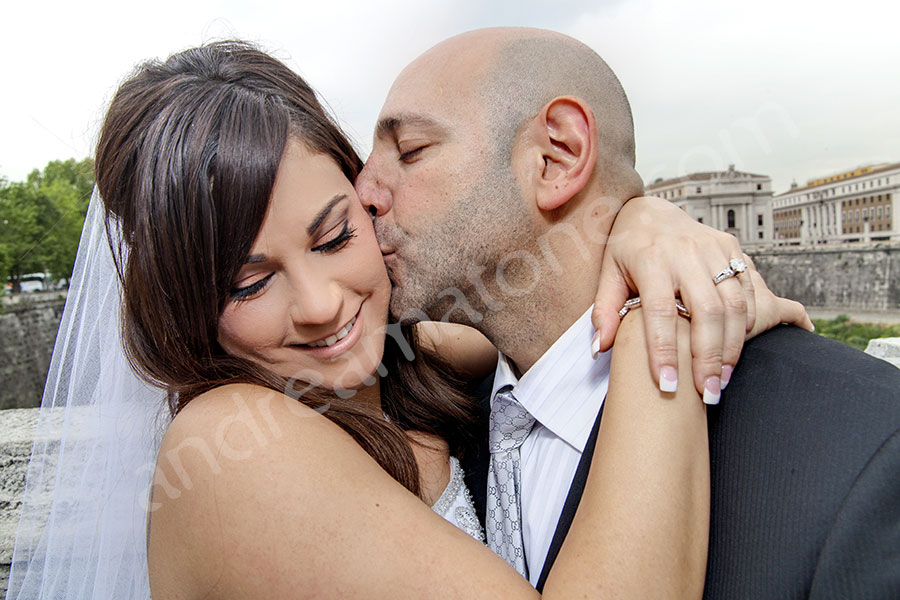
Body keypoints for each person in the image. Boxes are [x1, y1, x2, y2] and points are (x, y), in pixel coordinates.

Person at [5, 42, 800, 600]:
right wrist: (653, 311)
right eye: (249, 284)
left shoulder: (411, 358)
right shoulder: (231, 452)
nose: (320, 307)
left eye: (333, 236)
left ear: (366, 195)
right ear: (184, 302)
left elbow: (544, 308)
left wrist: (642, 225)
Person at [356, 27, 900, 597]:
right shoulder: (434, 413)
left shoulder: (863, 449)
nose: (361, 192)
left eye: (410, 150)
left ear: (557, 156)